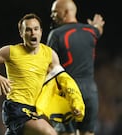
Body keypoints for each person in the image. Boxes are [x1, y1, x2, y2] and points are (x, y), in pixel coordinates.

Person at [0, 13, 85, 135]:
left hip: (34, 111)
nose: (33, 33)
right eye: (28, 30)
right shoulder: (12, 51)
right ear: (21, 33)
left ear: (41, 32)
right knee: (50, 133)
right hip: (17, 109)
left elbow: (62, 81)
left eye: (35, 29)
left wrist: (74, 102)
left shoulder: (50, 54)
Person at [46, 0, 105, 135]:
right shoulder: (90, 31)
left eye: (55, 11)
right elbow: (98, 31)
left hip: (68, 93)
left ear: (66, 12)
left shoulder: (56, 35)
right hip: (90, 93)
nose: (52, 15)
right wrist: (97, 25)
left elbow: (48, 66)